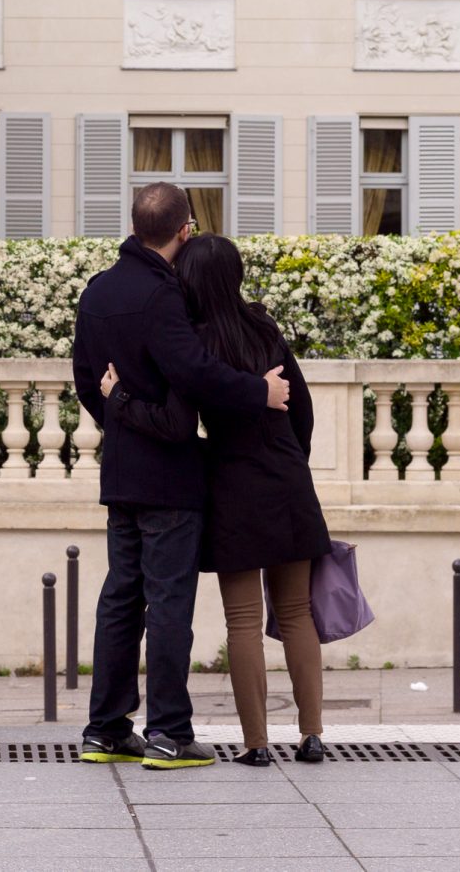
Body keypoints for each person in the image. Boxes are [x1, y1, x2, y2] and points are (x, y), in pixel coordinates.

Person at [71, 183, 291, 771]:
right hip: (169, 473)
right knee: (168, 601)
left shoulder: (97, 292)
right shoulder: (163, 294)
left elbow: (89, 383)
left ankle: (106, 731)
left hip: (122, 469)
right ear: (185, 230)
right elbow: (193, 371)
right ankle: (168, 732)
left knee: (121, 597)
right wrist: (260, 392)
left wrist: (123, 420)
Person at [101, 233, 331, 767]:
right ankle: (313, 735)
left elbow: (180, 421)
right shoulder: (264, 326)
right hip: (287, 477)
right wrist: (288, 457)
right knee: (297, 613)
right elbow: (303, 409)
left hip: (231, 484)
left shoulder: (195, 342)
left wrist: (121, 401)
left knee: (244, 620)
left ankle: (256, 744)